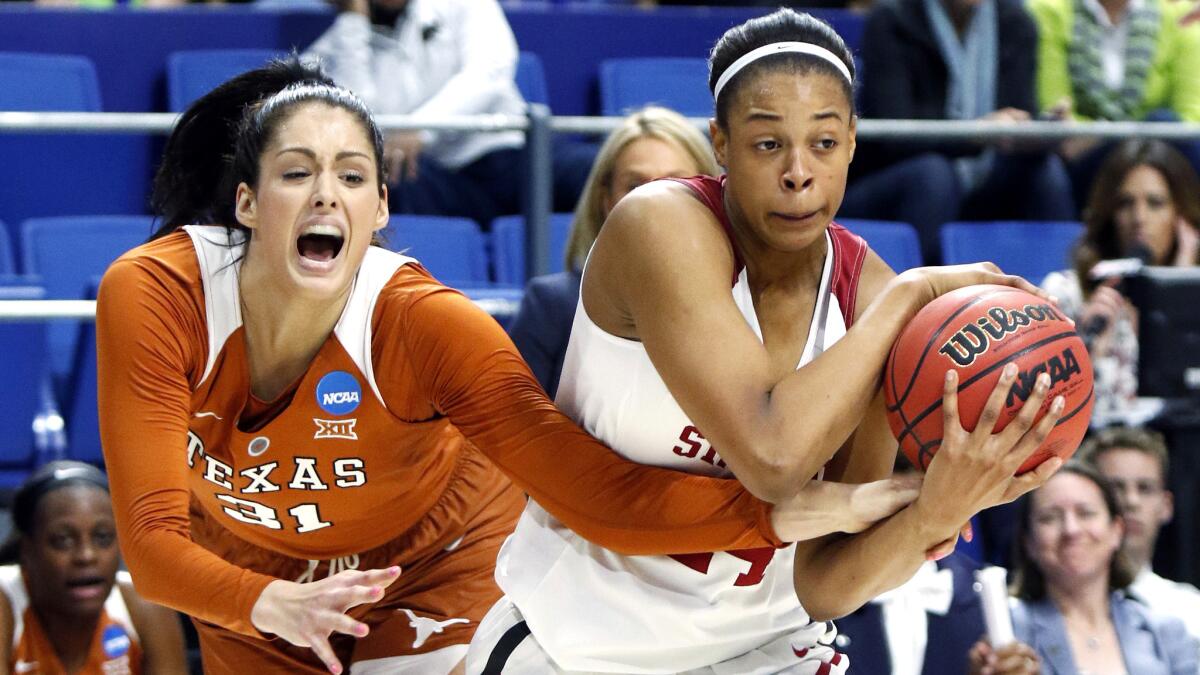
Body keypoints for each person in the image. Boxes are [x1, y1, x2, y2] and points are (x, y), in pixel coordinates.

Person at [99, 58, 926, 675]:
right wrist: (259, 600)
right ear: (246, 201)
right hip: (253, 575)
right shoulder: (154, 294)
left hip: (431, 562)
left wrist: (793, 515)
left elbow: (586, 485)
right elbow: (153, 545)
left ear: (381, 209)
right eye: (295, 173)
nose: (325, 195)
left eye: (352, 176)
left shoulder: (423, 322)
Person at [468, 9, 1066, 674]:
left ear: (853, 144)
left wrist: (939, 512)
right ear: (720, 143)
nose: (799, 173)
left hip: (765, 650)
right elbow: (773, 457)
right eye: (767, 144)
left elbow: (826, 581)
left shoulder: (871, 296)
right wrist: (908, 297)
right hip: (578, 644)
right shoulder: (660, 226)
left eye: (824, 143)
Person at [303, 0, 591, 227]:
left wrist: (420, 130)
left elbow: (489, 73)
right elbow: (358, 117)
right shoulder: (336, 47)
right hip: (430, 177)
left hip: (508, 157)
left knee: (597, 170)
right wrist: (353, 19)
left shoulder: (463, 5)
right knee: (379, 186)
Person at [508, 106, 720, 397]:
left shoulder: (743, 306)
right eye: (635, 185)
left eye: (674, 183)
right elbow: (502, 432)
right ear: (605, 199)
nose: (652, 201)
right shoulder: (551, 306)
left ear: (709, 196)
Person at [845, 0, 1075, 263]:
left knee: (1045, 171)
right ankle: (927, 297)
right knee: (934, 175)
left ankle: (1059, 289)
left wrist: (1040, 132)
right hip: (900, 180)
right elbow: (895, 137)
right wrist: (976, 133)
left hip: (984, 177)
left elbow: (1018, 111)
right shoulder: (891, 18)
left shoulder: (1015, 21)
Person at [968, 462, 1197, 675]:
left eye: (1086, 513)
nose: (1071, 530)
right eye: (1050, 518)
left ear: (1117, 530)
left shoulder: (1166, 633)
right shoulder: (1006, 634)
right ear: (1028, 541)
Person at [1041, 139, 1200, 419]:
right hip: (1096, 447)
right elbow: (1046, 408)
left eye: (1155, 203)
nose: (1139, 218)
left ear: (1181, 214)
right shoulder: (1065, 293)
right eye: (1125, 203)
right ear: (1109, 213)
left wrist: (1181, 291)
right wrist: (1085, 347)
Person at [0, 461, 187, 675]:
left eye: (103, 537)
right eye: (63, 540)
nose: (86, 556)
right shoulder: (5, 599)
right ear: (27, 549)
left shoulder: (145, 604)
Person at [1028, 0, 1200, 205]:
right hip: (1087, 164)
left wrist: (1102, 133)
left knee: (1165, 123)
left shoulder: (1179, 16)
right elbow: (1058, 115)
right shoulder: (1048, 11)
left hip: (1160, 160)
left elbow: (1190, 119)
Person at [1081, 426, 1200, 642]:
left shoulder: (1191, 611)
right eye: (1115, 487)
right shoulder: (1043, 610)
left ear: (1166, 505)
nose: (1131, 501)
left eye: (1145, 488)